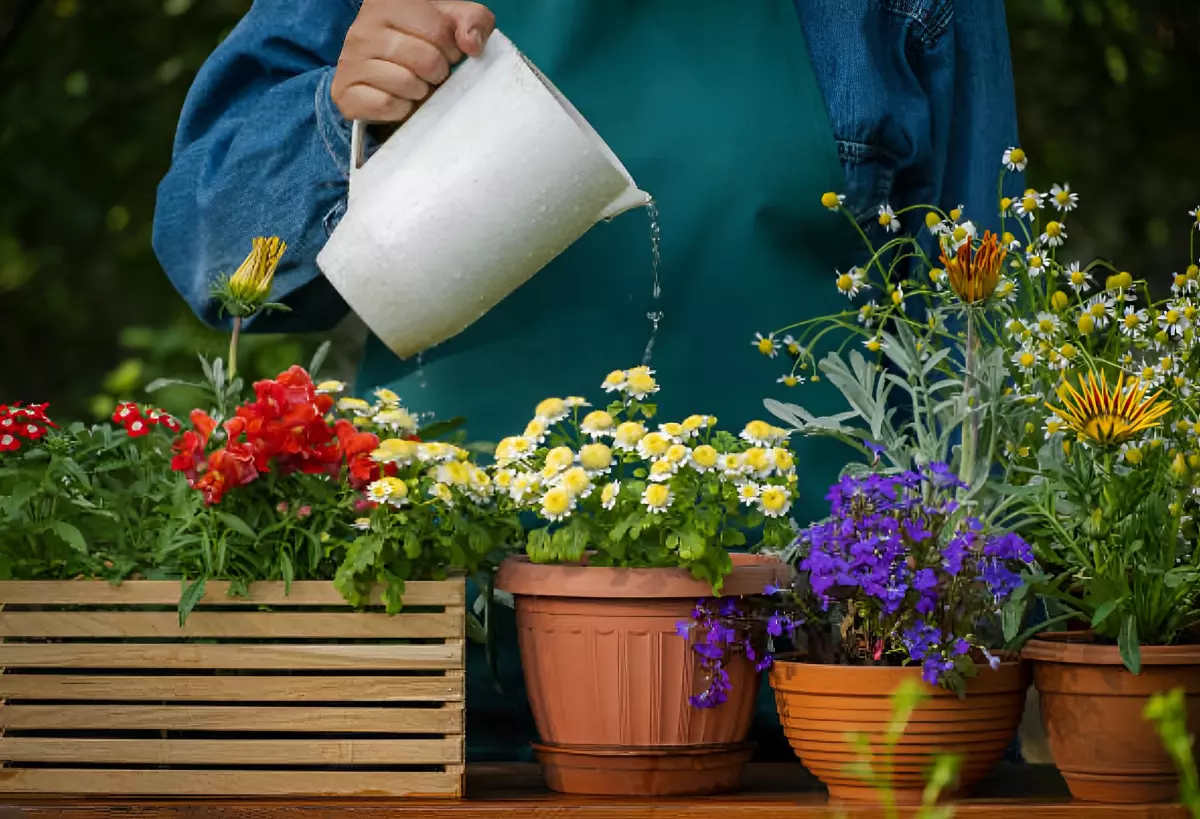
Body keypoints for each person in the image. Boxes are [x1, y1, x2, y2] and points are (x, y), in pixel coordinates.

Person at [153, 0, 1023, 761]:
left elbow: (970, 349)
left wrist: (952, 644)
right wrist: (339, 114)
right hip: (433, 701)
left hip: (808, 711)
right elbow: (215, 254)